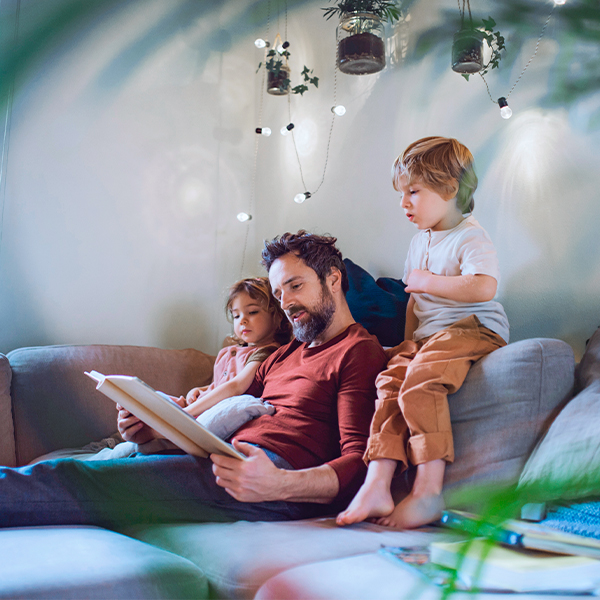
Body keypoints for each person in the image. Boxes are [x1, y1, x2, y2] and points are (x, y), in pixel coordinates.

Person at [0, 231, 387, 528]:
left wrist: (278, 485)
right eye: (279, 291)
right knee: (95, 465)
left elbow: (359, 463)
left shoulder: (358, 350)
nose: (284, 302)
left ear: (333, 279)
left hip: (271, 478)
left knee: (78, 479)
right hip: (223, 456)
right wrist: (150, 428)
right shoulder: (284, 355)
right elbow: (219, 407)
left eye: (296, 286)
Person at [337, 136, 510, 529]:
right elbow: (414, 301)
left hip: (474, 327)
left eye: (414, 192)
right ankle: (378, 482)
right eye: (402, 193)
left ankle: (428, 491)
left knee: (421, 384)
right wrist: (406, 342)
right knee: (390, 382)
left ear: (451, 188)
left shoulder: (470, 236)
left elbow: (483, 287)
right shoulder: (419, 241)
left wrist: (428, 281)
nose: (404, 203)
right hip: (431, 335)